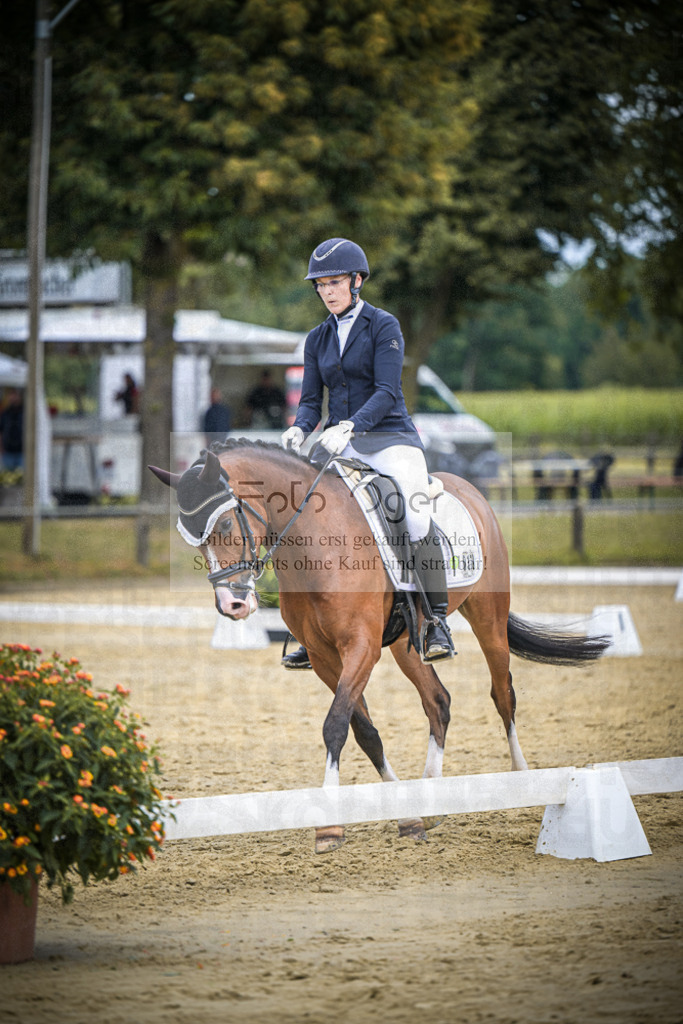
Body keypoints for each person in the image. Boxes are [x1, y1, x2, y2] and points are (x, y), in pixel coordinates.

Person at [280, 237, 454, 668]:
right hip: (341, 443)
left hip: (391, 438)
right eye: (320, 285)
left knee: (414, 514)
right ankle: (309, 628)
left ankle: (435, 620)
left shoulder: (383, 325)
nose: (327, 292)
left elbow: (386, 391)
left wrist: (351, 426)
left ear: (357, 281)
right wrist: (299, 430)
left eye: (335, 282)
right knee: (302, 512)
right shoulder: (317, 338)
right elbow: (309, 401)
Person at [0, 388, 24, 471]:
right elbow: (1, 431)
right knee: (8, 478)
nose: (13, 397)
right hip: (8, 451)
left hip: (22, 451)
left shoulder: (25, 412)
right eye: (11, 395)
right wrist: (1, 447)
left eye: (15, 395)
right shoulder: (5, 413)